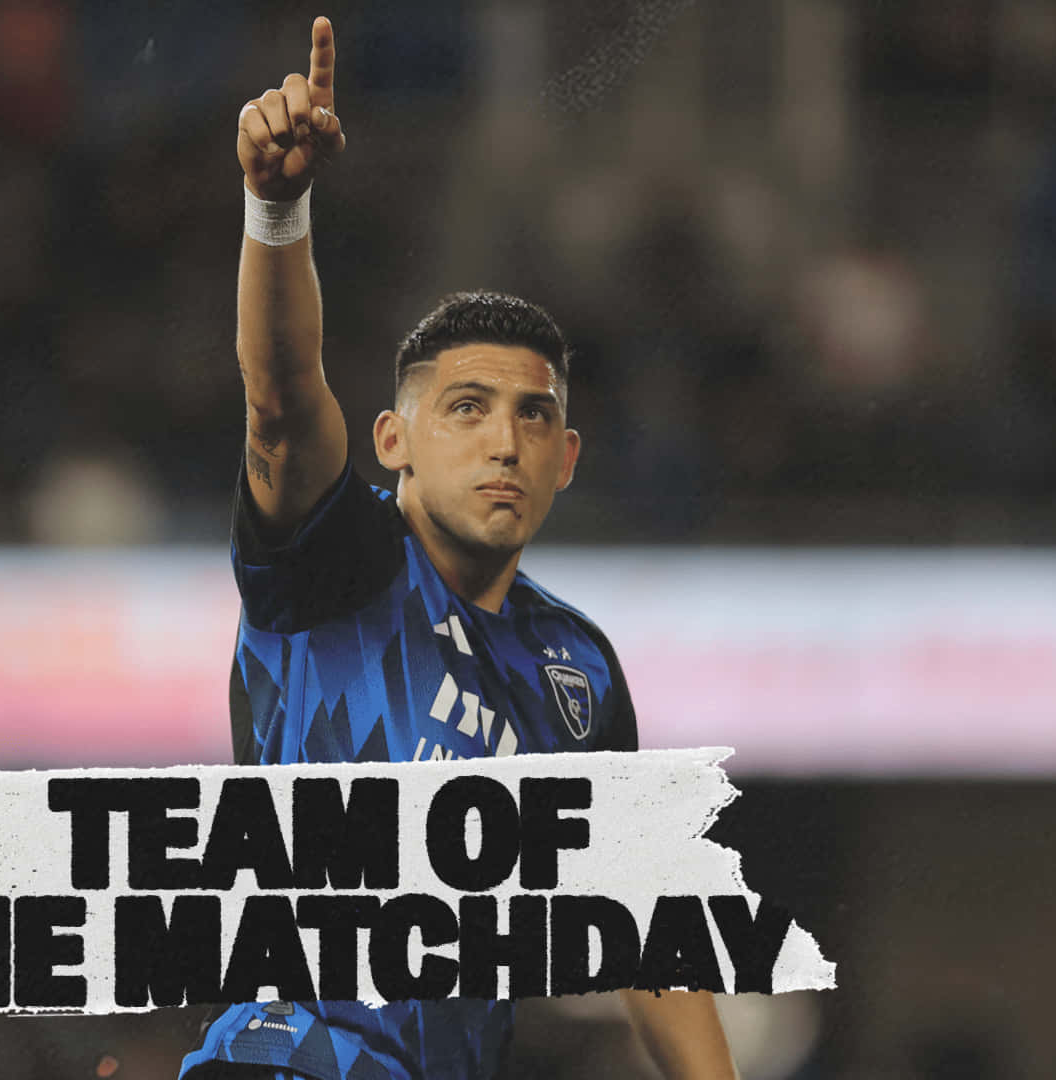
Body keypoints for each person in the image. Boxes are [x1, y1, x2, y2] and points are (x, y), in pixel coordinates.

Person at [178, 17, 738, 1080]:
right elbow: (281, 399)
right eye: (468, 408)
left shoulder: (577, 672)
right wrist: (277, 210)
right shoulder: (335, 562)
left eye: (534, 417)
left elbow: (649, 921)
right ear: (393, 441)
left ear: (567, 459)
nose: (504, 442)